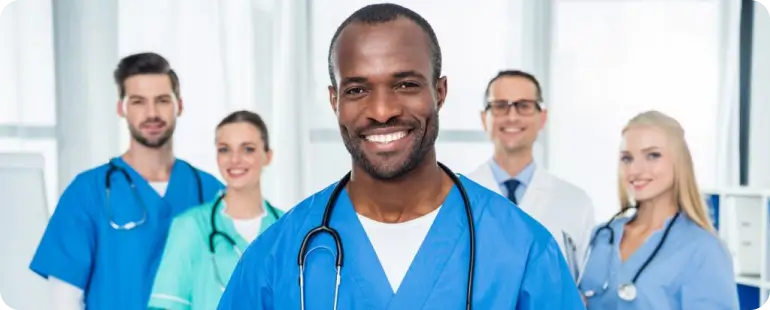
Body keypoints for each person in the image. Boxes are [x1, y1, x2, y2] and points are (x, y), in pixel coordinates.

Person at [217, 3, 585, 310]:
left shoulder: (523, 251)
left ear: (440, 92)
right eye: (357, 89)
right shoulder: (277, 256)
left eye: (406, 84)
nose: (382, 111)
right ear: (334, 101)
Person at [28, 52, 225, 310]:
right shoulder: (88, 192)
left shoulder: (210, 192)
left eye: (162, 100)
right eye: (138, 102)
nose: (152, 113)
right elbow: (64, 301)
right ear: (121, 108)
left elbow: (231, 283)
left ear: (179, 105)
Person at [578, 111, 738, 309]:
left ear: (679, 162)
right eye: (627, 158)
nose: (635, 170)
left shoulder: (703, 249)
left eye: (652, 156)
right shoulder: (602, 237)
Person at [148, 110, 284, 310]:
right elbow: (165, 306)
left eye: (248, 149)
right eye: (224, 149)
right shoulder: (191, 226)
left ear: (268, 156)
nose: (235, 159)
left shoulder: (288, 228)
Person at [467, 70, 596, 277]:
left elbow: (585, 288)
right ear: (484, 118)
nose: (512, 117)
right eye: (500, 106)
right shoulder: (455, 197)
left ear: (542, 118)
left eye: (524, 106)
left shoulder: (576, 203)